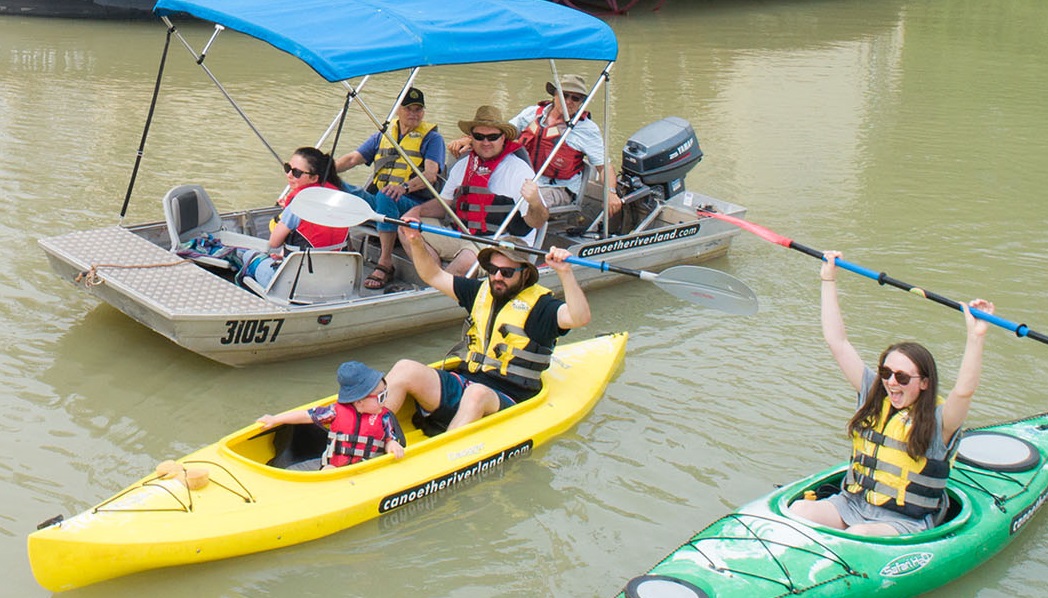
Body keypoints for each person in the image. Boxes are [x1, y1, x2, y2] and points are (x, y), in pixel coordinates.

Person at [788, 251, 994, 536]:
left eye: (902, 377)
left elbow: (965, 390)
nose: (891, 383)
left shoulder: (939, 421)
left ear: (924, 382)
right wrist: (828, 278)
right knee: (799, 511)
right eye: (886, 373)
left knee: (859, 535)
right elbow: (837, 341)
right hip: (853, 504)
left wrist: (977, 336)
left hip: (904, 522)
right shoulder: (874, 396)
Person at [381, 226, 590, 432]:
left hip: (509, 396)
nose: (497, 277)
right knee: (405, 368)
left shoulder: (542, 308)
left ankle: (447, 454)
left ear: (525, 273)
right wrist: (415, 242)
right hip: (467, 382)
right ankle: (365, 436)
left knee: (476, 394)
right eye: (492, 270)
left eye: (507, 272)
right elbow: (433, 275)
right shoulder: (480, 292)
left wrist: (565, 273)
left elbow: (579, 318)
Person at [399, 105, 548, 276]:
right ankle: (436, 278)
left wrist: (535, 201)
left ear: (503, 138)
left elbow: (537, 222)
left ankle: (440, 287)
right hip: (462, 233)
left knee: (466, 261)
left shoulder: (518, 170)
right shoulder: (462, 166)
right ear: (471, 138)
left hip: (499, 241)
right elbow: (444, 206)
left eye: (492, 137)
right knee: (406, 228)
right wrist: (416, 211)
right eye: (479, 137)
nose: (485, 142)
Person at [448, 74, 621, 216]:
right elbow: (499, 133)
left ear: (582, 101)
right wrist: (468, 140)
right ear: (554, 95)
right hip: (522, 178)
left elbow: (603, 166)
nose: (568, 101)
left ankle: (520, 242)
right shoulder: (532, 114)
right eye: (564, 94)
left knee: (524, 202)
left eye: (575, 98)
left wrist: (611, 192)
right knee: (479, 189)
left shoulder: (587, 129)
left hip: (556, 188)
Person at [335, 88, 446, 290]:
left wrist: (404, 187)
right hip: (381, 198)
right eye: (408, 108)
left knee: (386, 194)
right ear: (398, 110)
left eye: (418, 109)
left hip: (412, 202)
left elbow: (430, 175)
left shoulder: (432, 138)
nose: (413, 113)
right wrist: (321, 169)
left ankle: (385, 262)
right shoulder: (383, 134)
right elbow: (353, 159)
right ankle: (344, 247)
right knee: (336, 186)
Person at [237, 147, 353, 288]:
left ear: (314, 178)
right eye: (288, 168)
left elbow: (273, 243)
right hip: (336, 282)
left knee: (246, 254)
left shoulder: (297, 205)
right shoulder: (341, 202)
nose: (289, 175)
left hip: (295, 285)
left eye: (296, 172)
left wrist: (285, 215)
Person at [257, 361, 405, 471]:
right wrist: (275, 419)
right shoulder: (335, 412)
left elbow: (389, 437)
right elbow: (306, 415)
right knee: (320, 470)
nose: (385, 400)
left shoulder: (384, 417)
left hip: (368, 468)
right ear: (359, 402)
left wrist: (392, 444)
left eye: (386, 394)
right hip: (334, 468)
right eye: (381, 396)